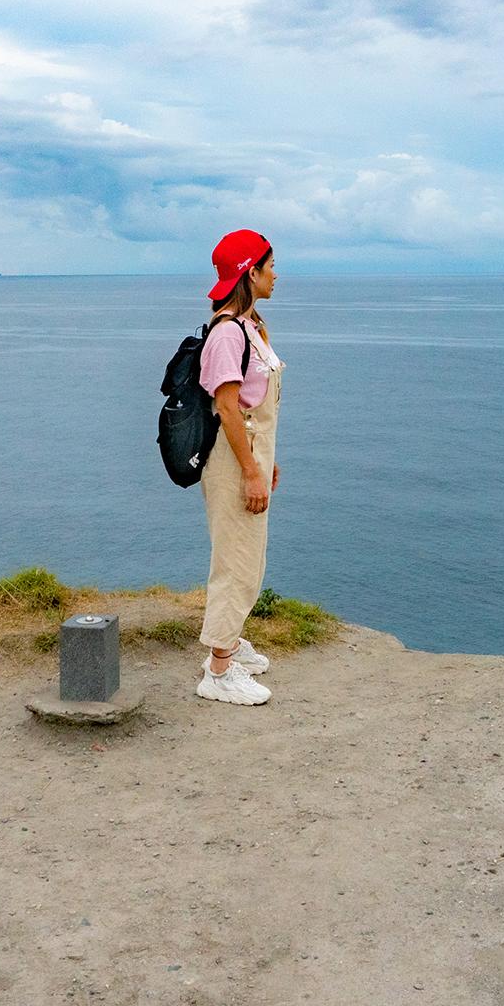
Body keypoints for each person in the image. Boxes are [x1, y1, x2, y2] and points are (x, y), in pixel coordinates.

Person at [194, 228, 284, 705]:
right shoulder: (228, 334)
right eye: (269, 267)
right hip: (232, 461)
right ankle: (219, 671)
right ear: (250, 272)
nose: (276, 275)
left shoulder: (250, 325)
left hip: (248, 454)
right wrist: (250, 469)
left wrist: (267, 461)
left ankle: (229, 643)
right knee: (235, 561)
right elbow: (228, 409)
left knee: (250, 557)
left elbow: (254, 408)